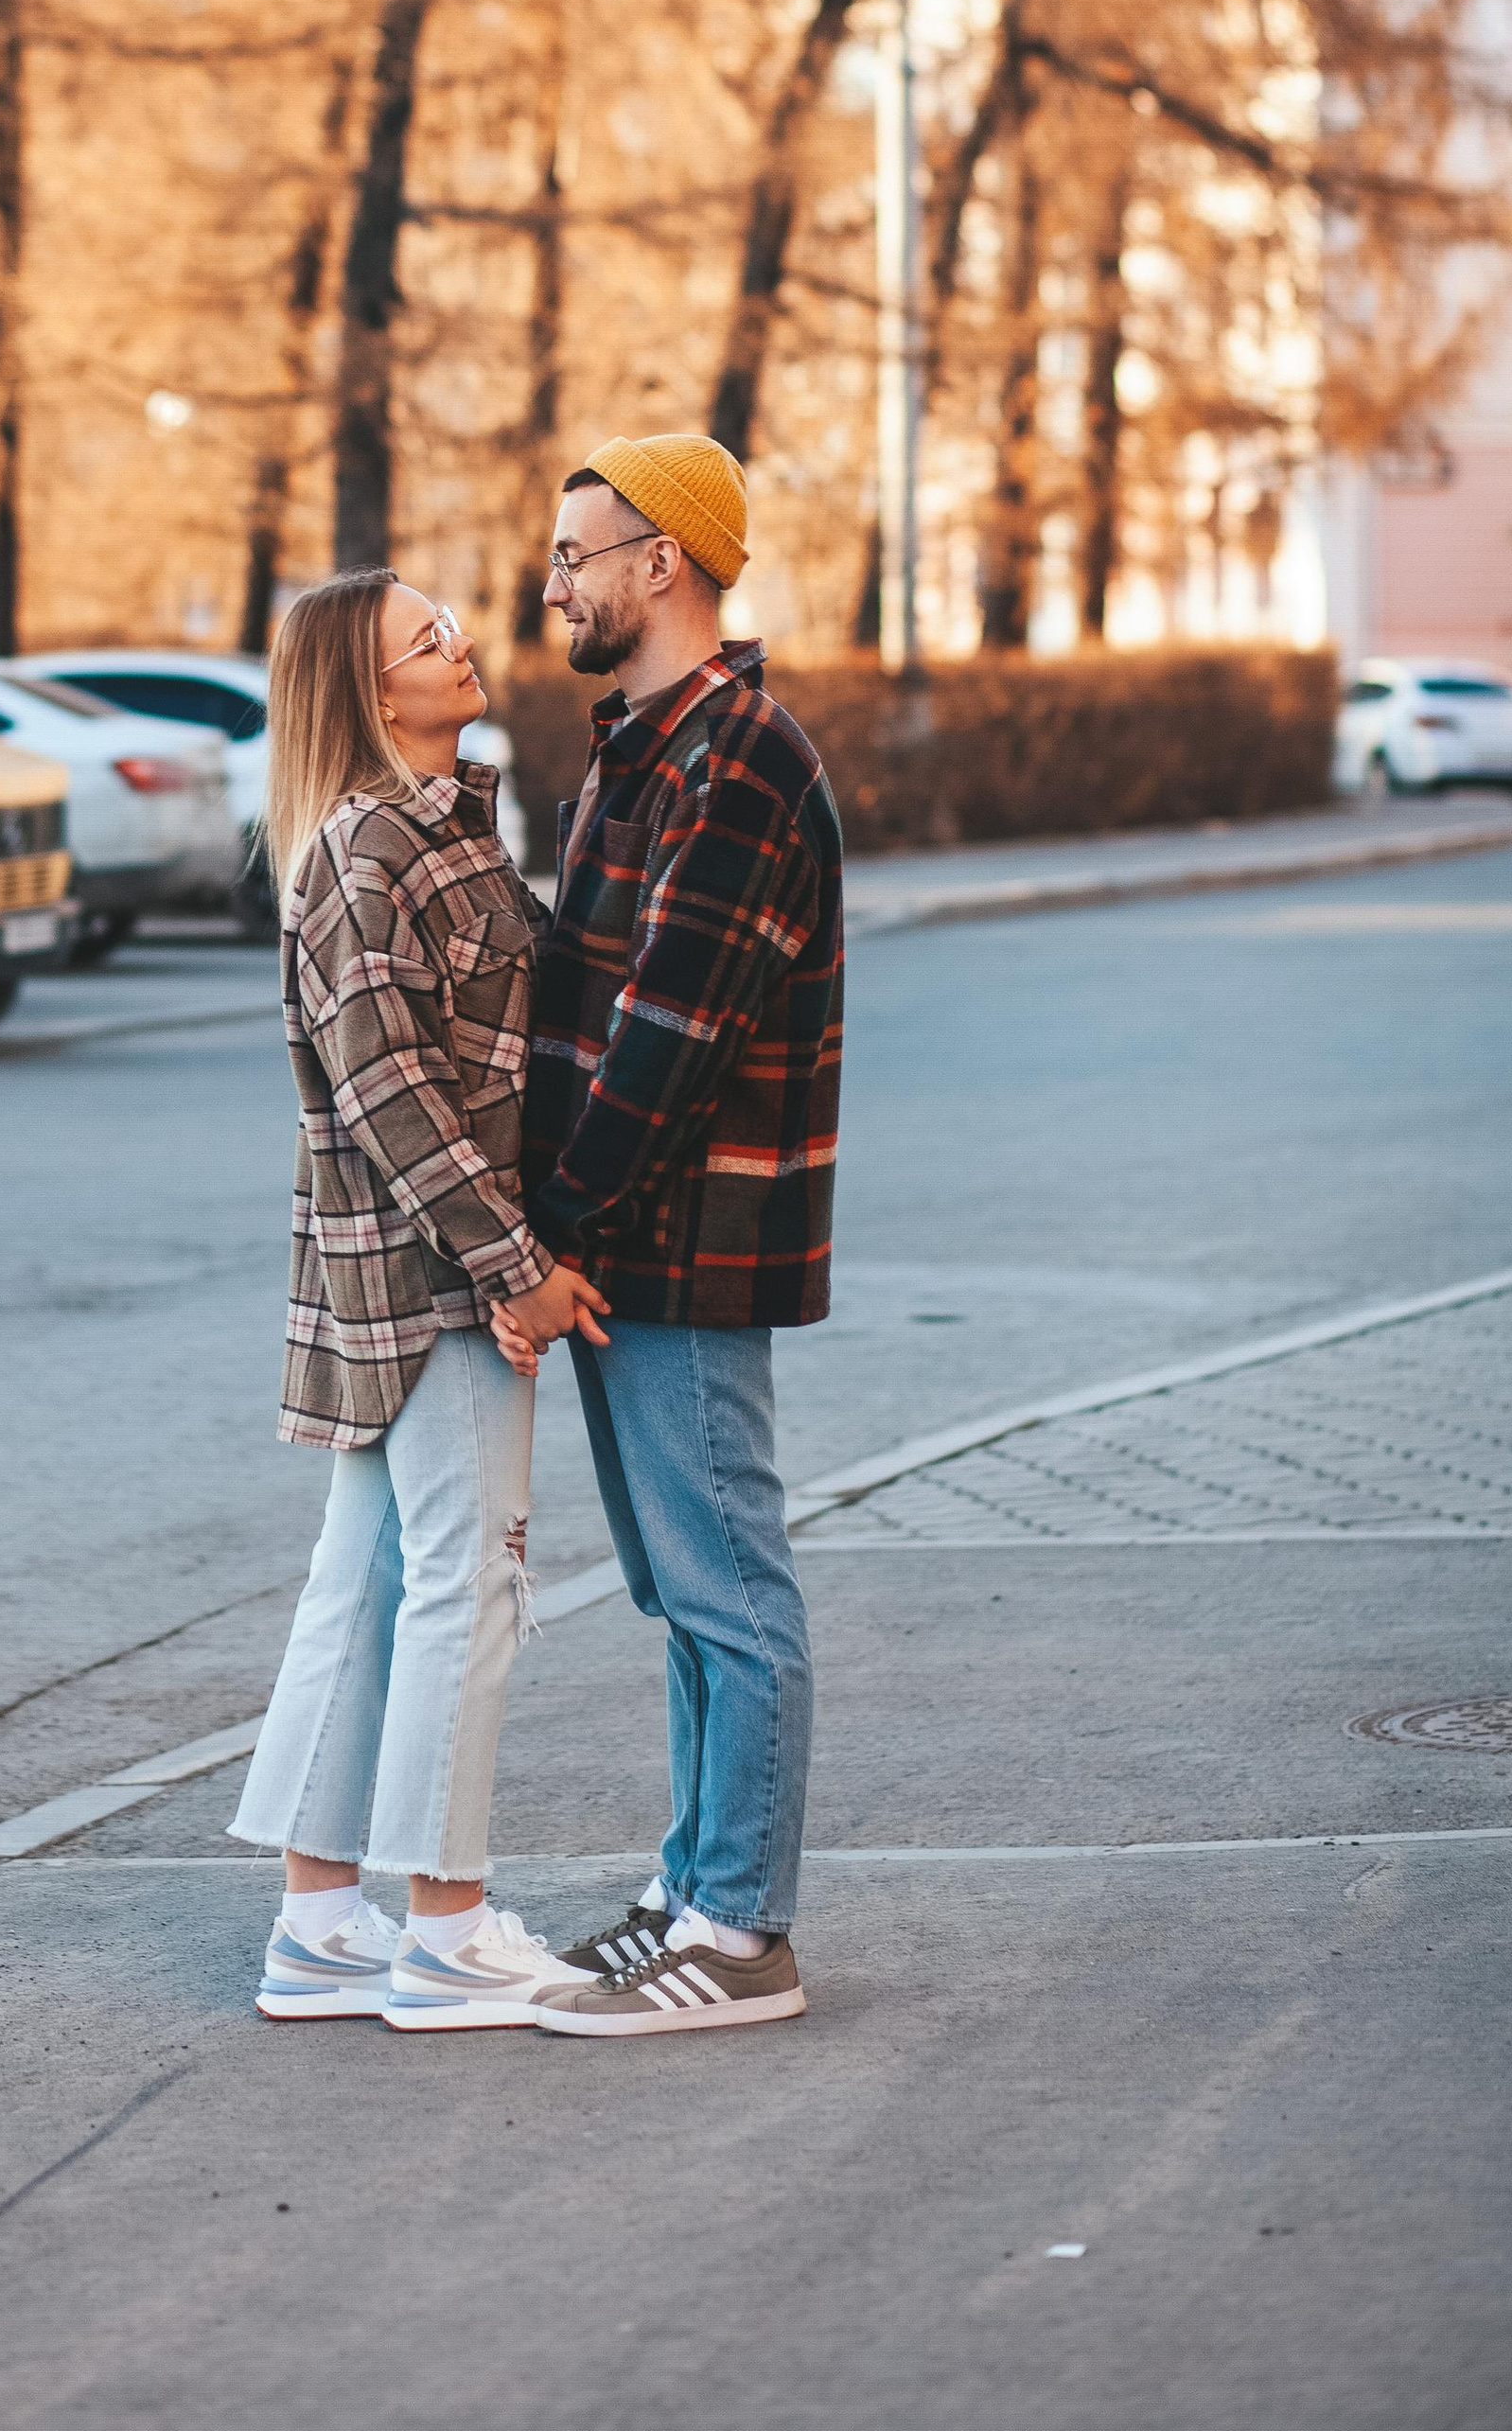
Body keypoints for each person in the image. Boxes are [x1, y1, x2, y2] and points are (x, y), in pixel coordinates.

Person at [227, 567, 611, 2030]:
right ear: (369, 691)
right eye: (422, 638)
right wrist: (518, 1268)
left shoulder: (447, 822)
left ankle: (324, 1923)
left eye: (446, 618)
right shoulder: (362, 849)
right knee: (473, 1585)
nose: (460, 639)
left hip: (429, 1273)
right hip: (431, 1285)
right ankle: (446, 1932)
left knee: (373, 1588)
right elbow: (397, 1094)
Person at [496, 434, 843, 2038]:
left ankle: (744, 1933)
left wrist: (543, 1237)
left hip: (688, 1248)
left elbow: (667, 1037)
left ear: (667, 564)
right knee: (676, 1595)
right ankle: (697, 1883)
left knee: (729, 1590)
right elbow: (575, 997)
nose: (555, 579)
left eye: (580, 552)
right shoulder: (637, 753)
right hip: (625, 1247)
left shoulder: (743, 761)